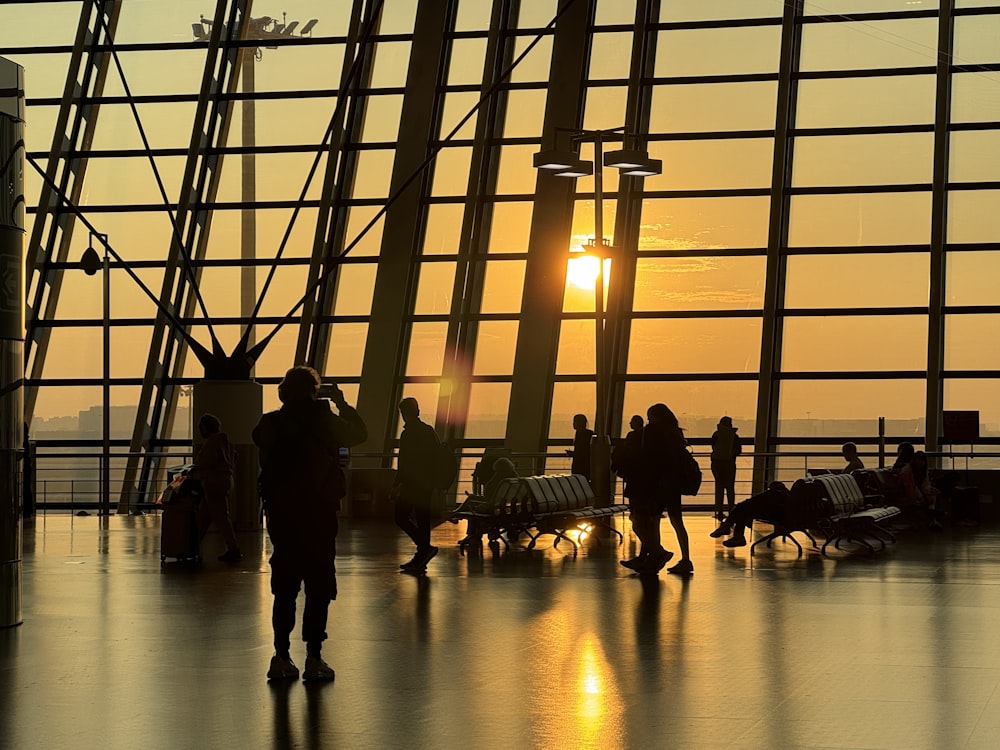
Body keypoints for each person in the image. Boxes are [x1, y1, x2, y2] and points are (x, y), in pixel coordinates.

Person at [252, 366, 367, 682]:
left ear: (283, 392)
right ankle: (314, 657)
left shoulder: (271, 423)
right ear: (313, 392)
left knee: (285, 588)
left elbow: (260, 448)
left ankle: (281, 654)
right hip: (319, 515)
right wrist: (340, 403)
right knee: (318, 586)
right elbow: (359, 433)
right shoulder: (326, 422)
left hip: (284, 518)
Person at [620, 403, 693, 576]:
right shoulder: (676, 432)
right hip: (673, 483)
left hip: (657, 483)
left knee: (652, 521)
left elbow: (650, 458)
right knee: (677, 522)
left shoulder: (652, 432)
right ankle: (685, 559)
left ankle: (653, 556)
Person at [394, 397, 444, 573]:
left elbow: (404, 462)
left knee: (400, 516)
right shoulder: (428, 431)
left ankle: (423, 548)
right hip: (426, 483)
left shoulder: (408, 434)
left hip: (411, 484)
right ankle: (422, 552)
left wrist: (397, 483)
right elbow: (437, 456)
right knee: (423, 519)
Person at [192, 413, 241, 562]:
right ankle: (193, 546)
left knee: (220, 518)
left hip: (214, 483)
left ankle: (233, 548)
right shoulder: (226, 443)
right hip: (224, 481)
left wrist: (196, 468)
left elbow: (207, 461)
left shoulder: (212, 443)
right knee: (204, 516)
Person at [709, 481, 789, 547]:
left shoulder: (777, 495)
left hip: (777, 515)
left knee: (742, 508)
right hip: (778, 514)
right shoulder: (787, 499)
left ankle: (729, 529)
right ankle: (734, 533)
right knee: (743, 510)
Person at [897, 450, 943, 531]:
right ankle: (933, 518)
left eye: (922, 460)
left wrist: (927, 493)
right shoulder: (907, 471)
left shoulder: (922, 471)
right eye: (919, 460)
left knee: (934, 494)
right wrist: (922, 496)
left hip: (917, 492)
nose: (921, 462)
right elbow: (910, 487)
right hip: (908, 493)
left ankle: (932, 517)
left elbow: (925, 485)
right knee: (930, 499)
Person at [710, 416, 741, 521]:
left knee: (719, 486)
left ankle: (719, 511)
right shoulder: (734, 436)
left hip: (716, 463)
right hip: (729, 463)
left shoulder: (716, 434)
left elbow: (713, 447)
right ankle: (731, 510)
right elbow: (738, 450)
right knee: (730, 488)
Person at [611, 415, 644, 499]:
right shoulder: (645, 435)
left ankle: (634, 509)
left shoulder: (632, 435)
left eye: (632, 421)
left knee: (633, 491)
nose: (630, 423)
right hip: (640, 467)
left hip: (632, 467)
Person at [566, 413, 594, 480]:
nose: (573, 424)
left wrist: (572, 454)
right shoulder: (590, 433)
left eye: (574, 422)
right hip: (587, 465)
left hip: (579, 465)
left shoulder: (580, 434)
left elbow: (581, 451)